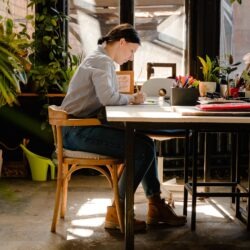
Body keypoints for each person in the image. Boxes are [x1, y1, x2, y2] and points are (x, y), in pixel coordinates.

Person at [60, 23, 186, 232]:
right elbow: (108, 98)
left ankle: (155, 204)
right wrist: (133, 100)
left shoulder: (98, 58)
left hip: (77, 127)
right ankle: (118, 211)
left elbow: (105, 99)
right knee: (143, 148)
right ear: (121, 42)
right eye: (131, 51)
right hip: (76, 131)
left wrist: (129, 99)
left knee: (145, 142)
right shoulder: (102, 61)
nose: (131, 57)